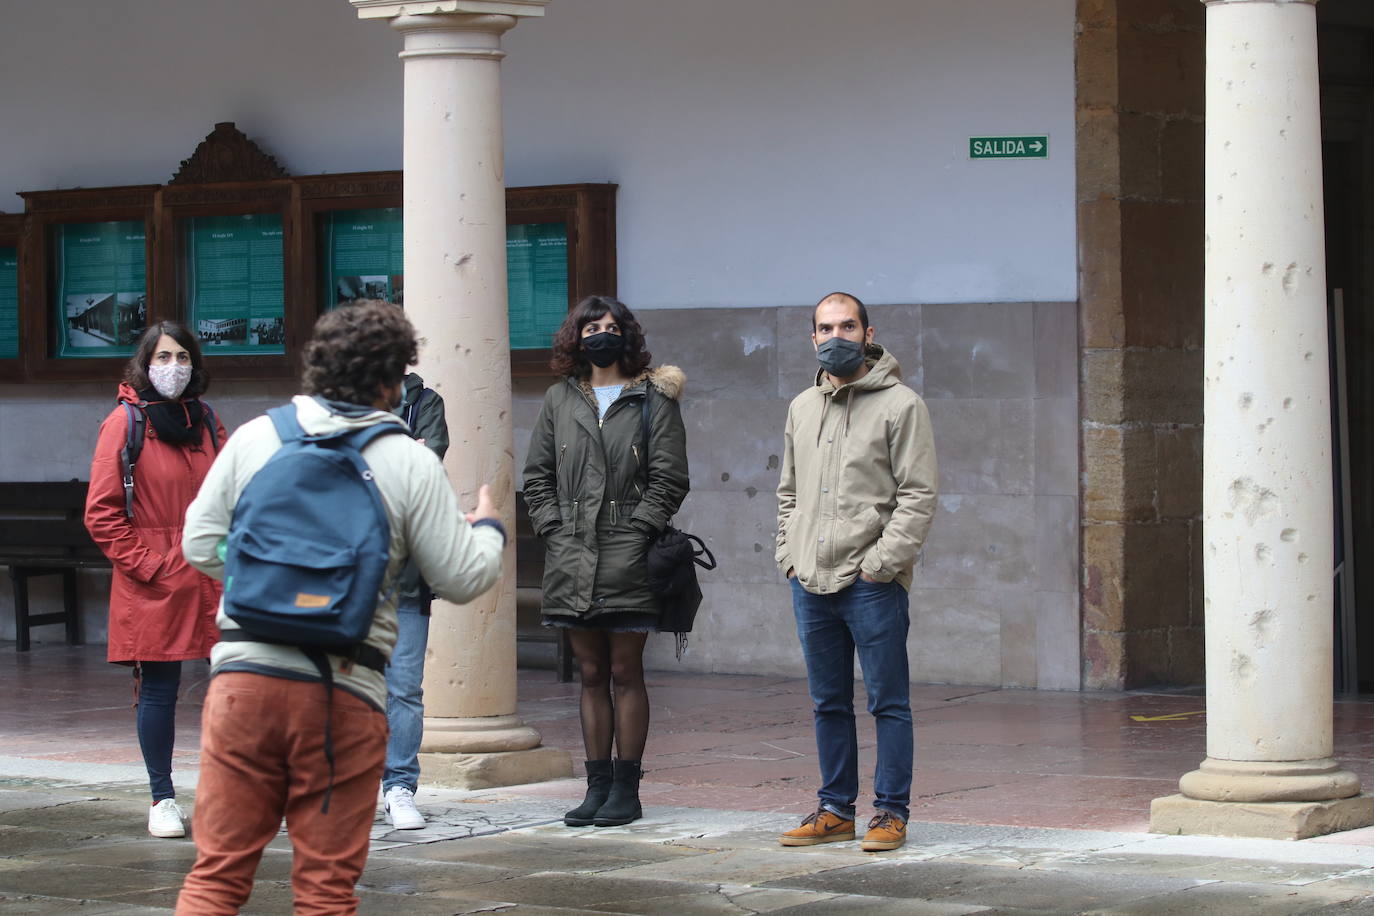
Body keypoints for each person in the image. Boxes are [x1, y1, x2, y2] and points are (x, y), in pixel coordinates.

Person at [175, 301, 506, 914]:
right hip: (343, 689)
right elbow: (463, 577)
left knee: (216, 876)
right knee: (325, 889)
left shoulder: (257, 436)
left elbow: (198, 541)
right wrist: (489, 527)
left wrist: (267, 576)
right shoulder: (408, 457)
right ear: (392, 377)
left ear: (316, 366)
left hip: (243, 680)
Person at [775, 291, 937, 853]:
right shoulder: (801, 407)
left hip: (871, 585)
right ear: (812, 337)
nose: (836, 337)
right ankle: (835, 809)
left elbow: (918, 495)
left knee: (888, 702)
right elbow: (789, 492)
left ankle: (890, 812)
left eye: (848, 327)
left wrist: (882, 566)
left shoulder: (901, 405)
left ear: (868, 334)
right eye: (825, 328)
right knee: (828, 703)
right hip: (811, 582)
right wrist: (788, 557)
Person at [522, 294, 689, 828]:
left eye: (612, 326)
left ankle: (627, 788)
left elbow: (670, 478)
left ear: (627, 336)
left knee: (624, 670)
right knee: (591, 673)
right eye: (592, 326)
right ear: (576, 336)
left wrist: (638, 530)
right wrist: (552, 526)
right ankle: (595, 787)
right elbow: (536, 475)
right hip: (570, 551)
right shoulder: (559, 399)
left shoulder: (652, 399)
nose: (602, 334)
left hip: (628, 551)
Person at [84, 321, 226, 840]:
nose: (174, 368)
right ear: (144, 365)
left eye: (183, 357)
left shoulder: (208, 420)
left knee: (236, 685)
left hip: (212, 572)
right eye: (163, 358)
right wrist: (153, 567)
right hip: (157, 578)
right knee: (160, 690)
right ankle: (162, 797)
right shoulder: (123, 424)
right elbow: (102, 514)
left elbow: (232, 492)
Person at [381, 371, 449, 830]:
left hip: (406, 577)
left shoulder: (424, 400)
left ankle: (399, 786)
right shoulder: (332, 403)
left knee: (404, 688)